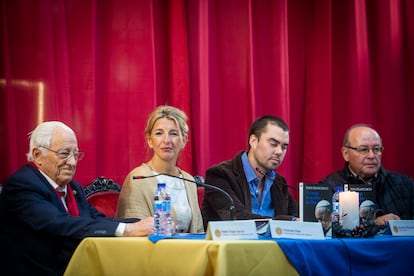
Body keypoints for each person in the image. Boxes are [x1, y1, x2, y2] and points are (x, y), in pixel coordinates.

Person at [0, 121, 155, 276]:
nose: (72, 162)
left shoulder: (73, 188)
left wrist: (146, 223)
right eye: (64, 154)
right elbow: (60, 223)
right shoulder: (22, 185)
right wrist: (127, 230)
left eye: (75, 154)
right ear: (37, 155)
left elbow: (96, 219)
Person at [116, 105, 204, 233]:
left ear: (184, 140)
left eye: (173, 133)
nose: (166, 140)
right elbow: (133, 234)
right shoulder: (138, 179)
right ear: (150, 140)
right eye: (159, 133)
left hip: (191, 251)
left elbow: (199, 230)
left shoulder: (188, 180)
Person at [201, 115, 298, 228]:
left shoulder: (278, 182)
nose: (279, 152)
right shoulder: (219, 175)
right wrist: (288, 222)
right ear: (253, 141)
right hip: (233, 245)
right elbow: (237, 218)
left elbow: (296, 216)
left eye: (284, 147)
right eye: (273, 144)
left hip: (273, 246)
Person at [319, 124, 414, 227]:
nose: (371, 156)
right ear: (346, 153)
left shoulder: (405, 184)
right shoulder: (329, 187)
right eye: (363, 149)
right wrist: (373, 223)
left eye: (376, 149)